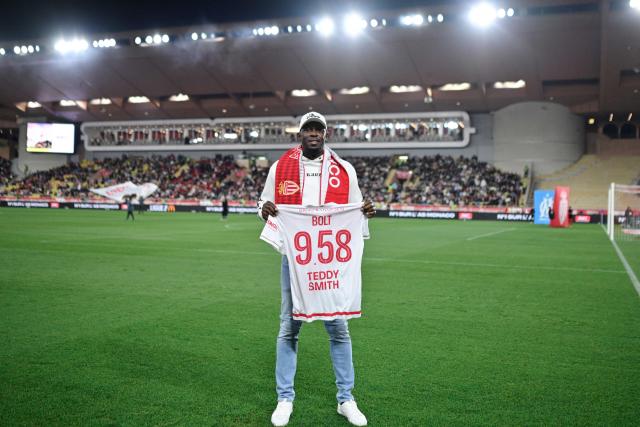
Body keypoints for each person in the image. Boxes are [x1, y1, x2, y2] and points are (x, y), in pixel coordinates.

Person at [258, 112, 375, 427]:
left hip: (330, 261)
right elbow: (264, 203)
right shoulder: (280, 167)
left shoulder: (344, 170)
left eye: (318, 129)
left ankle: (346, 399)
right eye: (308, 129)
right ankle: (285, 398)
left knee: (338, 328)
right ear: (300, 135)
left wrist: (366, 210)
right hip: (295, 258)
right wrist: (264, 210)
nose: (313, 133)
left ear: (326, 134)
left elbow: (357, 207)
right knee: (289, 327)